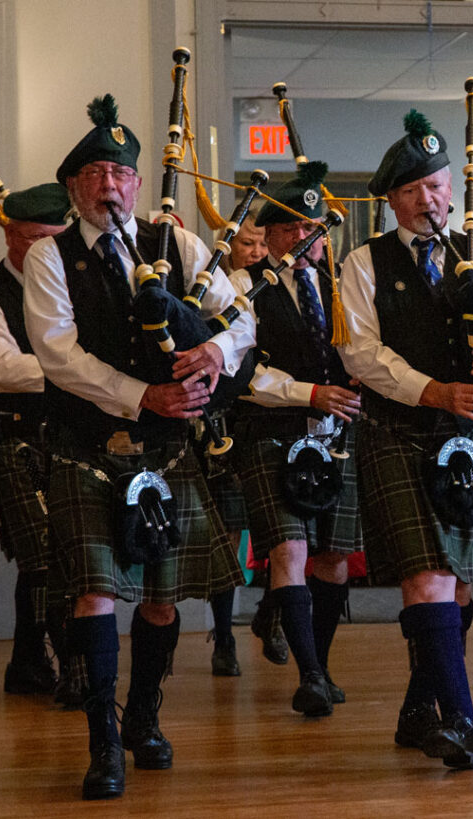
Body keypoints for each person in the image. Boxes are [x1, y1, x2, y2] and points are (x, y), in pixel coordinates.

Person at [23, 94, 254, 800]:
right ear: (74, 189)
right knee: (95, 594)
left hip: (167, 451)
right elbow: (57, 353)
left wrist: (214, 351)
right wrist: (141, 393)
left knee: (160, 598)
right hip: (86, 446)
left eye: (121, 173)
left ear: (134, 183)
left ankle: (143, 718)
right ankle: (102, 743)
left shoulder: (177, 245)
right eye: (95, 173)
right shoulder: (49, 255)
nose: (111, 185)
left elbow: (241, 316)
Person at [338, 111, 473, 769]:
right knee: (428, 580)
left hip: (471, 442)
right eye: (413, 190)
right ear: (392, 200)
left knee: (456, 586)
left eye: (437, 185)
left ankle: (418, 705)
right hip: (398, 435)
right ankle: (460, 720)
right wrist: (435, 391)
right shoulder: (363, 262)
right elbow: (361, 354)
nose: (429, 199)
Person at [230, 162, 362, 717]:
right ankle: (308, 676)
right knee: (289, 550)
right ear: (274, 235)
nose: (309, 237)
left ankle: (322, 665)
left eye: (316, 227)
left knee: (332, 558)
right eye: (297, 229)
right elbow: (239, 373)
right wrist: (308, 394)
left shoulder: (340, 288)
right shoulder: (243, 288)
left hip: (337, 438)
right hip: (271, 434)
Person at [0, 183, 76, 703]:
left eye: (55, 239)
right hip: (15, 440)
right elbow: (3, 370)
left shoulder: (75, 284)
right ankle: (75, 669)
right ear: (8, 234)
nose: (45, 250)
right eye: (33, 239)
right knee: (43, 558)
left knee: (63, 557)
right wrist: (80, 370)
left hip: (72, 438)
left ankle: (27, 662)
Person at [202, 206, 271, 678]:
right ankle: (223, 634)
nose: (258, 252)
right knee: (228, 536)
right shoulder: (211, 290)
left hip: (269, 423)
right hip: (226, 426)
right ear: (227, 250)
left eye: (263, 244)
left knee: (281, 532)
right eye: (248, 244)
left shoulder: (278, 286)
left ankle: (273, 613)